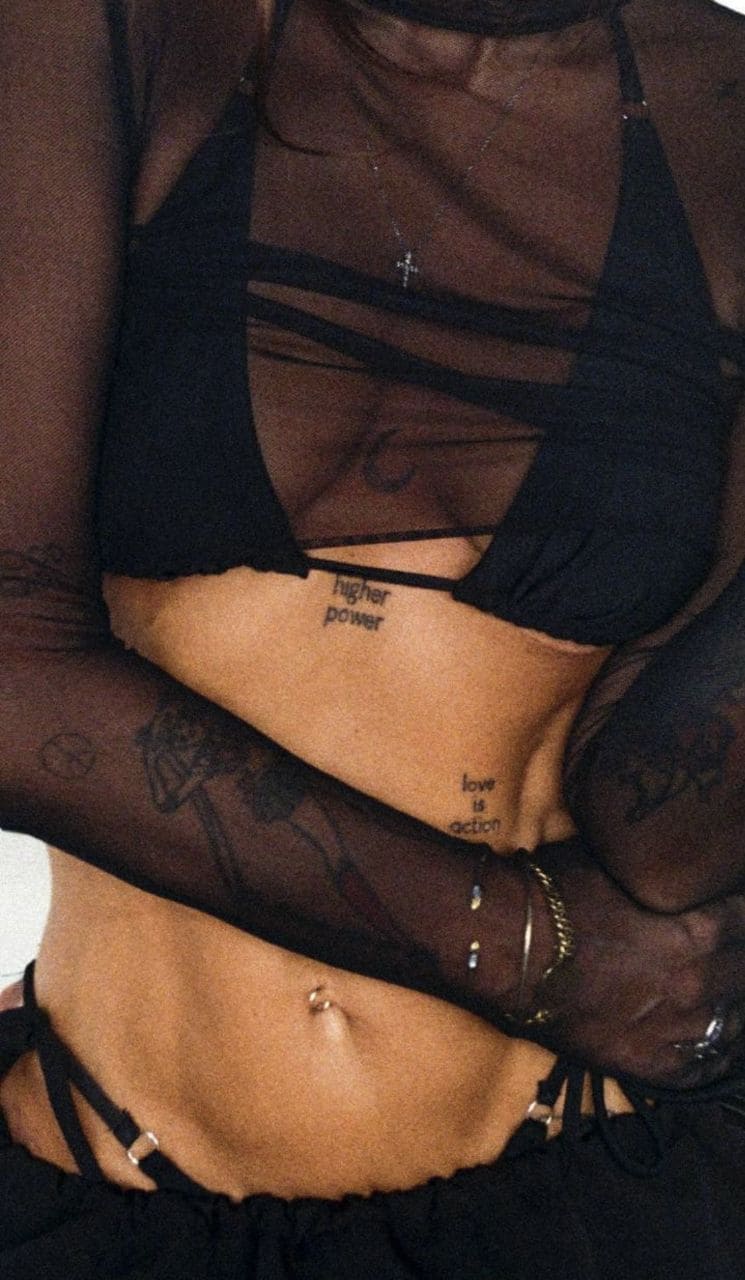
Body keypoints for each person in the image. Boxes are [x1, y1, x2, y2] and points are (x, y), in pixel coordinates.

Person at [2, 0, 745, 1274]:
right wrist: (533, 952)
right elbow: (14, 681)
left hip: (593, 1185)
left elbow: (659, 834)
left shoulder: (721, 107)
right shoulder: (111, 31)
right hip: (102, 1185)